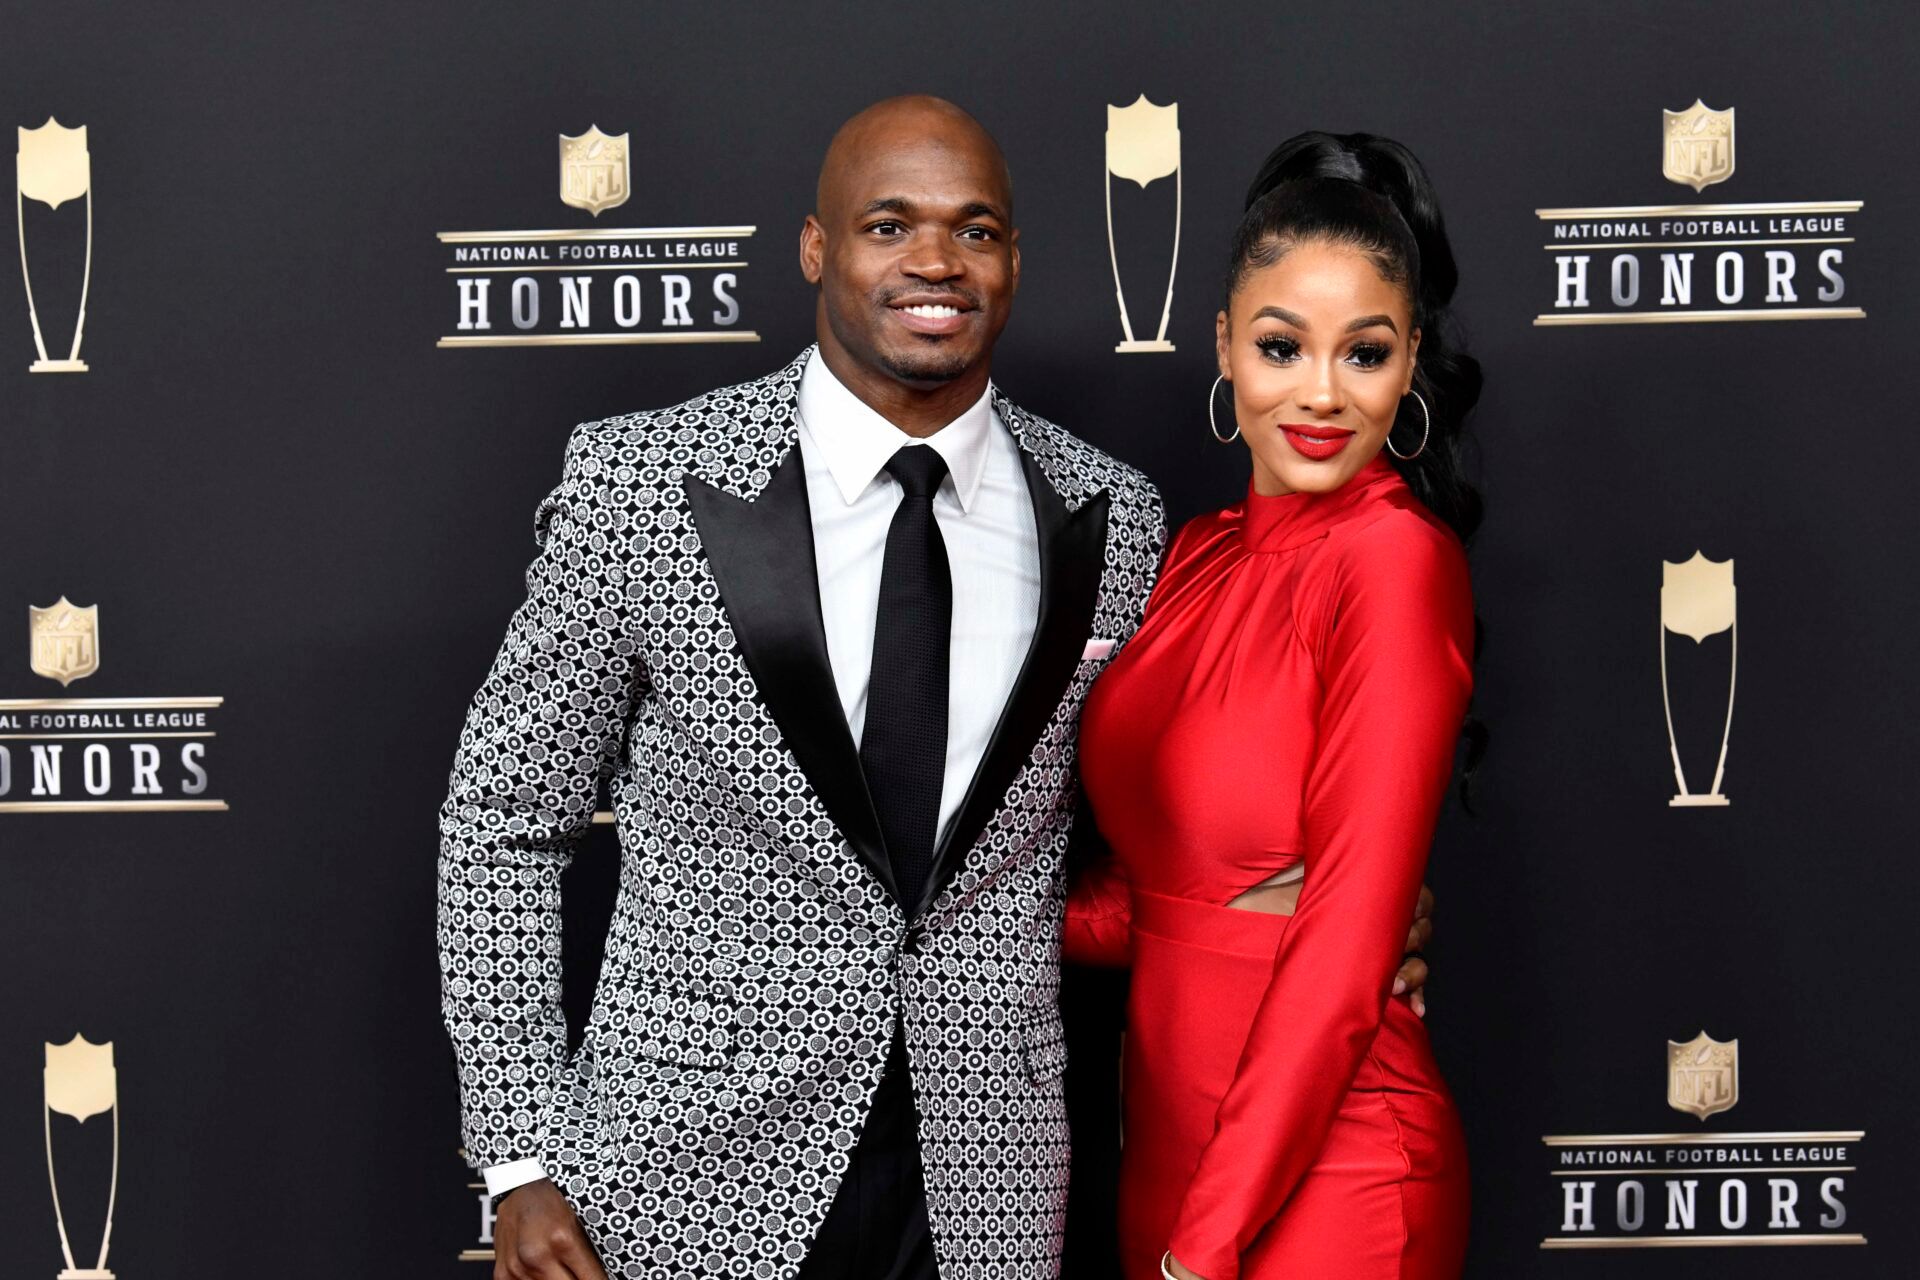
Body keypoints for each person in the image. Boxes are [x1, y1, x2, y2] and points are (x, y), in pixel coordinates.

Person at [438, 98, 1433, 1280]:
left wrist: (1330, 915)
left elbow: (1117, 836)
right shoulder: (645, 481)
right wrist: (520, 1155)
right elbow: (502, 815)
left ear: (1013, 262)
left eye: (975, 230)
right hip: (682, 1179)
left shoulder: (1110, 520)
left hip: (988, 1190)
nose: (933, 262)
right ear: (818, 249)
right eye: (888, 224)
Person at [1064, 133, 1481, 1280]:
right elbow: (1149, 899)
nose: (1320, 393)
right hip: (1168, 1151)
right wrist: (915, 910)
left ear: (1406, 375)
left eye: (1367, 353)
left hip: (1333, 1172)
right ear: (1225, 347)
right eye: (1283, 346)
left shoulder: (1394, 560)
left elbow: (1346, 939)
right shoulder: (1191, 556)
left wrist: (1205, 1247)